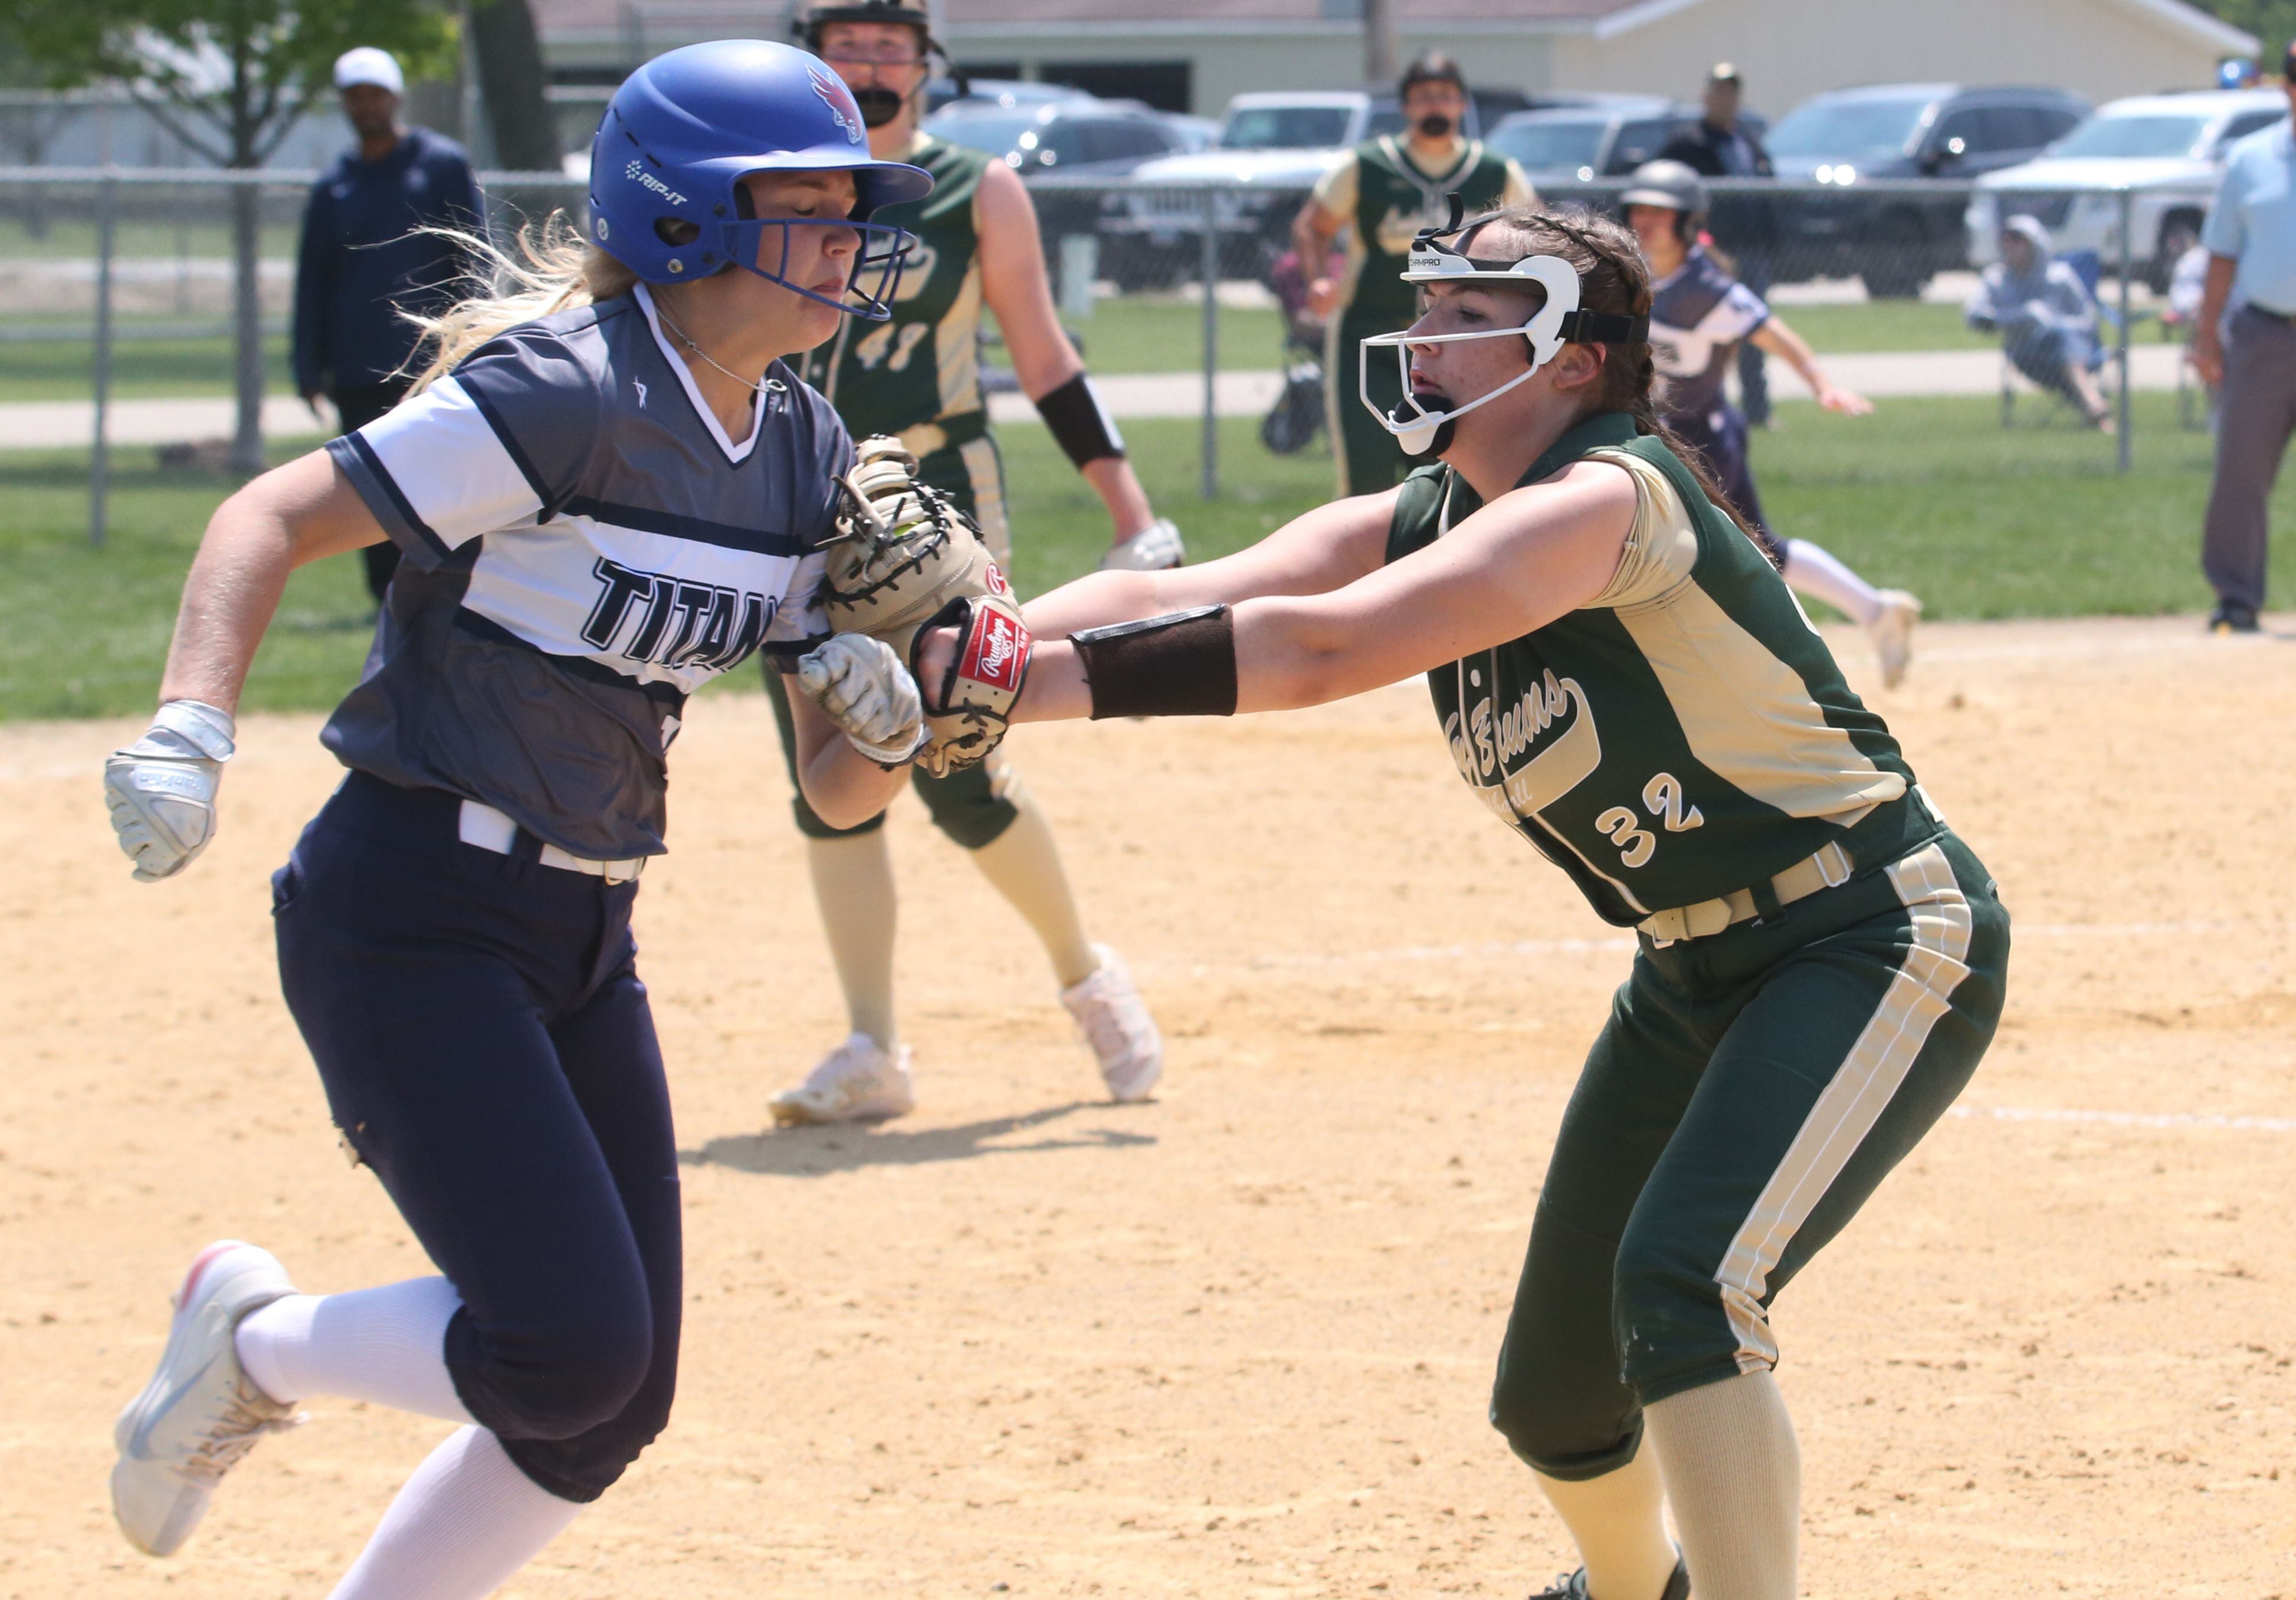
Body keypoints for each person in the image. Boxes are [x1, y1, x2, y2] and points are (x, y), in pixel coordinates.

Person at [932, 200, 2008, 1600]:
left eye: (1465, 314)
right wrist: (971, 633)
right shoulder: (1433, 508)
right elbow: (1212, 586)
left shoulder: (1610, 498)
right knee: (1555, 1401)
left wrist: (1012, 692)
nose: (1424, 335)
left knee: (1686, 1287)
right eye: (1425, 308)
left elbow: (1324, 650)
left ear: (1573, 357)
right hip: (1688, 966)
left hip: (1865, 929)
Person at [99, 40, 946, 1594]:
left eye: (855, 205)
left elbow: (830, 794)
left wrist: (892, 727)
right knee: (564, 1354)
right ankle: (256, 1343)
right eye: (812, 203)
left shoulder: (802, 450)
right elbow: (270, 515)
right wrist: (190, 725)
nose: (851, 237)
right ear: (686, 217)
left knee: (601, 1412)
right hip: (408, 911)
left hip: (582, 933)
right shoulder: (568, 393)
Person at [756, 0, 1173, 1128]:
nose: (875, 61)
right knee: (828, 774)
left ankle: (1085, 973)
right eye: (851, 42)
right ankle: (871, 1045)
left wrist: (1126, 506)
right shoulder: (774, 180)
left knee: (961, 764)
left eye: (895, 43)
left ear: (926, 63)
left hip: (933, 510)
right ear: (813, 56)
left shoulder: (976, 187)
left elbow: (1043, 355)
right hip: (796, 504)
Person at [1621, 160, 1923, 688]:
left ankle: (1792, 655)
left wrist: (1821, 384)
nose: (1644, 221)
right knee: (1750, 553)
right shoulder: (1636, 274)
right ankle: (1876, 611)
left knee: (1728, 555)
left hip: (1706, 440)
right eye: (1638, 209)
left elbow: (1777, 337)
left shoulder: (1708, 288)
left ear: (1688, 223)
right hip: (1661, 437)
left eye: (1659, 212)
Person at [1293, 52, 1535, 497]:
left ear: (1462, 104)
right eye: (1424, 97)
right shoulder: (1368, 165)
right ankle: (1368, 567)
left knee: (1452, 473)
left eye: (1445, 96)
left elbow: (1532, 238)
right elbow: (1313, 225)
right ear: (1406, 107)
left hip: (1459, 345)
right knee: (1365, 474)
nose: (1435, 107)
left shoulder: (1495, 171)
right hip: (1371, 336)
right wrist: (1318, 281)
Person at [293, 46, 484, 606]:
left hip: (431, 361)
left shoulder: (440, 166)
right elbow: (314, 282)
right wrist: (308, 365)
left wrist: (477, 342)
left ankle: (448, 592)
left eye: (375, 94)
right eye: (355, 97)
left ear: (395, 98)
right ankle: (388, 600)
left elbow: (472, 259)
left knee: (440, 481)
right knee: (371, 489)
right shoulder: (334, 187)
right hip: (358, 365)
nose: (366, 106)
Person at [2190, 39, 2296, 635]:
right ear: (2289, 88)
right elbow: (2222, 255)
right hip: (2265, 333)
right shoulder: (2251, 160)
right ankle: (2235, 598)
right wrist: (2206, 335)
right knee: (2241, 471)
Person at [1658, 63, 1777, 426]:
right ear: (1706, 96)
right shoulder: (1688, 143)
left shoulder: (1748, 140)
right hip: (1708, 255)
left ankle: (1758, 412)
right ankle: (1709, 408)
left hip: (1750, 250)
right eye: (1720, 90)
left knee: (1752, 330)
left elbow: (1768, 191)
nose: (1726, 99)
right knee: (1707, 337)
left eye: (1732, 91)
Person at [1965, 216, 2113, 429]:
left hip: (2076, 351)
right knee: (2061, 348)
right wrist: (2020, 317)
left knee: (2061, 337)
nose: (2009, 245)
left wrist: (2056, 324)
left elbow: (2087, 319)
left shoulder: (2059, 277)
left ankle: (2095, 411)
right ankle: (2093, 403)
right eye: (2005, 239)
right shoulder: (1996, 280)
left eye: (2017, 239)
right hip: (2028, 354)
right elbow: (1975, 314)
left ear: (2034, 243)